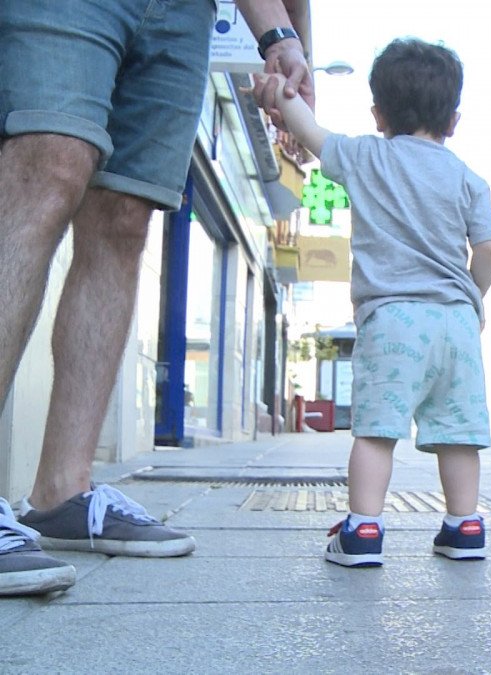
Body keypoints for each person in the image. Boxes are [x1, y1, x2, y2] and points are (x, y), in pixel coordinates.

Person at [0, 0, 313, 596]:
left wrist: (280, 34)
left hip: (184, 14)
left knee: (126, 213)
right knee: (49, 161)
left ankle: (63, 493)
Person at [261, 37, 491, 565]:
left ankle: (363, 531)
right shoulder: (468, 177)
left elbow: (307, 129)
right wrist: (473, 297)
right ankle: (465, 527)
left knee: (376, 430)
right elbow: (489, 247)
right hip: (456, 322)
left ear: (378, 114)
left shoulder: (365, 155)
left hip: (393, 318)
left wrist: (281, 91)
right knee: (458, 433)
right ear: (454, 120)